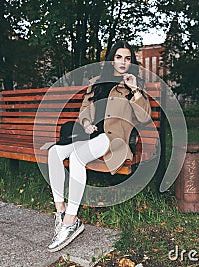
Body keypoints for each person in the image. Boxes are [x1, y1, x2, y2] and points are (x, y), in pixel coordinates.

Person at [46, 40, 151, 252]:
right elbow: (85, 110)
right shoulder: (97, 82)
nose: (122, 62)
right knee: (53, 152)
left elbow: (144, 116)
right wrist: (85, 124)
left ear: (131, 62)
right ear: (112, 59)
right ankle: (60, 211)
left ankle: (71, 221)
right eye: (119, 57)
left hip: (112, 139)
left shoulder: (134, 84)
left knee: (76, 158)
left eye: (127, 58)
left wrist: (136, 91)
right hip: (91, 136)